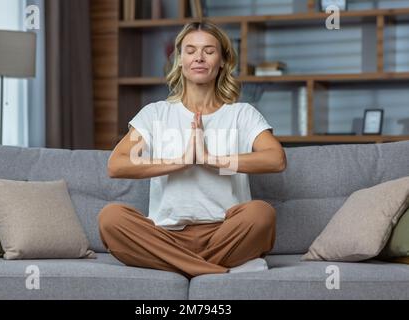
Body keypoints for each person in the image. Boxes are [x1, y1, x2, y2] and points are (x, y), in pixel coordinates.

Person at [98, 21, 287, 279]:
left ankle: (178, 266)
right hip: (165, 235)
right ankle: (223, 270)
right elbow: (117, 164)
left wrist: (212, 159)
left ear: (222, 61)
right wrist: (182, 161)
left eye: (209, 51)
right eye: (190, 50)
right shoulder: (156, 114)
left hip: (225, 233)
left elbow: (276, 159)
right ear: (179, 60)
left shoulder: (241, 114)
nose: (199, 57)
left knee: (261, 213)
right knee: (111, 218)